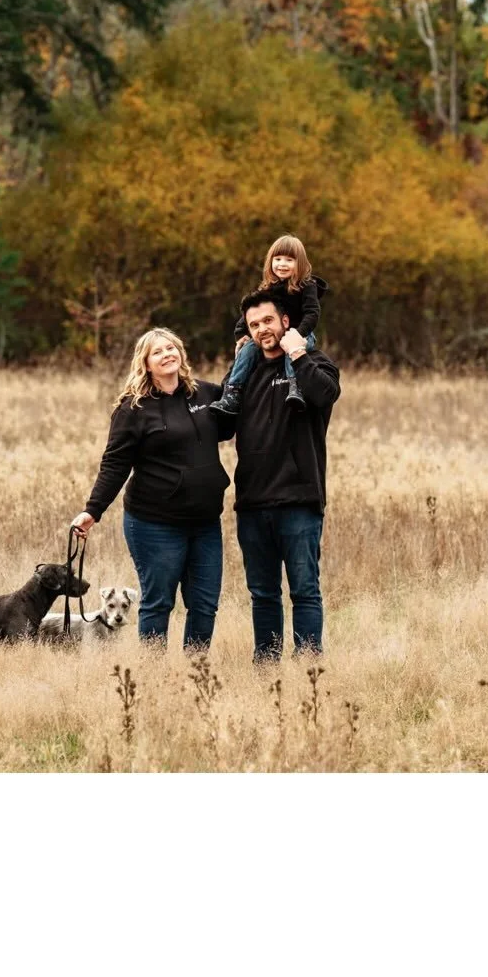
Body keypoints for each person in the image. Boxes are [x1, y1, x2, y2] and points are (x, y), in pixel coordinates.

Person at [71, 328, 235, 650]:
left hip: (204, 523)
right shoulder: (133, 409)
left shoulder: (205, 394)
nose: (167, 354)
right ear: (145, 363)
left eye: (171, 347)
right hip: (154, 523)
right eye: (157, 352)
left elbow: (230, 424)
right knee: (159, 602)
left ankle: (197, 672)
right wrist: (93, 510)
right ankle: (152, 674)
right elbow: (115, 464)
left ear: (181, 353)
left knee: (204, 604)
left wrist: (245, 357)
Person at [227, 288, 341, 661]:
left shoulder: (314, 363)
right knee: (262, 593)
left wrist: (298, 353)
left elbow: (325, 395)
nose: (262, 329)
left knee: (304, 590)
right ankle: (267, 667)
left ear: (286, 322)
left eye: (268, 321)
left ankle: (309, 669)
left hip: (299, 500)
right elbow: (221, 424)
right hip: (252, 502)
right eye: (254, 324)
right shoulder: (245, 373)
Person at [210, 233, 328, 414]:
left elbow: (312, 313)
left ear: (300, 264)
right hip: (276, 335)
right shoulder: (268, 288)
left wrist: (298, 334)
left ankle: (295, 387)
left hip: (301, 334)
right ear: (270, 262)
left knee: (291, 348)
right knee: (248, 349)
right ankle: (232, 392)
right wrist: (241, 334)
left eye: (289, 260)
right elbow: (250, 315)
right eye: (277, 259)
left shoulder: (307, 286)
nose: (282, 264)